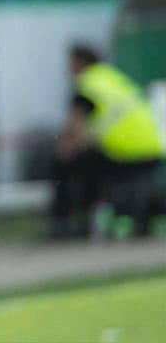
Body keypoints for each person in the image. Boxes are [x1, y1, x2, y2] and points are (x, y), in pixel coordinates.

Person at [50, 43, 166, 238]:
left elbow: (74, 127)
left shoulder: (88, 83)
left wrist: (65, 146)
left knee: (65, 161)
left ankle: (69, 220)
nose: (66, 69)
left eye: (69, 63)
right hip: (154, 148)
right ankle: (120, 213)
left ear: (80, 63)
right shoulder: (112, 78)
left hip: (126, 151)